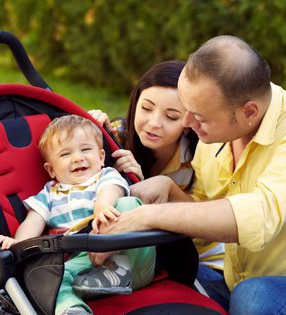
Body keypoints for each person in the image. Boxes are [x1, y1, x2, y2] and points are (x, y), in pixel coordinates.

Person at [100, 35, 286, 315]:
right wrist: (170, 190)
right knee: (158, 275)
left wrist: (148, 216)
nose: (187, 123)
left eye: (198, 116)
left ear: (248, 112)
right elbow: (206, 212)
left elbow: (260, 215)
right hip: (233, 280)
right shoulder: (214, 139)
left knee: (254, 298)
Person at [0, 115, 156, 315]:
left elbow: (112, 190)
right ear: (51, 169)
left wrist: (102, 206)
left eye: (85, 150)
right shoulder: (49, 194)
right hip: (85, 263)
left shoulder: (105, 176)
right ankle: (73, 312)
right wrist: (18, 244)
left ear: (101, 156)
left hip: (134, 259)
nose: (78, 158)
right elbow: (33, 221)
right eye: (65, 154)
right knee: (48, 277)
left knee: (128, 205)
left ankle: (118, 269)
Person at [88, 60, 225, 282]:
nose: (154, 123)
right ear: (135, 103)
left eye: (171, 116)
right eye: (146, 108)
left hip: (193, 258)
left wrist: (159, 188)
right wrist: (87, 134)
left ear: (189, 121)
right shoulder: (117, 136)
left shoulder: (201, 155)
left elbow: (205, 221)